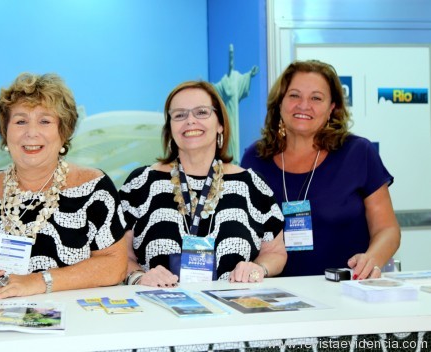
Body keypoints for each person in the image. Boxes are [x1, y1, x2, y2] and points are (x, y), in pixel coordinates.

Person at [0, 73, 127, 299]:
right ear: (6, 132)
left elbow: (115, 265)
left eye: (45, 121)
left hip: (74, 324)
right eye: (21, 121)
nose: (31, 133)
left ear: (64, 132)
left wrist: (37, 282)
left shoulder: (93, 188)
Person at [241, 59, 401, 279]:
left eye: (316, 98)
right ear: (280, 103)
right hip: (273, 297)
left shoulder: (358, 153)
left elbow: (387, 230)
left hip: (344, 292)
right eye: (294, 95)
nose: (304, 105)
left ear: (331, 108)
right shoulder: (255, 158)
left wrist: (372, 259)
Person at [120, 80, 286, 287]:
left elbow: (276, 253)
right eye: (179, 115)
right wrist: (139, 276)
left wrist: (258, 268)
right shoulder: (140, 183)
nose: (190, 121)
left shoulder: (252, 185)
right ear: (170, 128)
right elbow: (118, 256)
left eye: (201, 112)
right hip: (159, 310)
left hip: (233, 312)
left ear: (220, 124)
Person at [214, 44, 259, 162]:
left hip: (234, 114)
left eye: (232, 55)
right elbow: (214, 89)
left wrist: (250, 74)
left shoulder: (237, 78)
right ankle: (228, 159)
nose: (231, 59)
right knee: (228, 137)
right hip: (226, 114)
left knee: (234, 136)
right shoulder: (224, 82)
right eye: (230, 55)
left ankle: (235, 160)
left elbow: (246, 78)